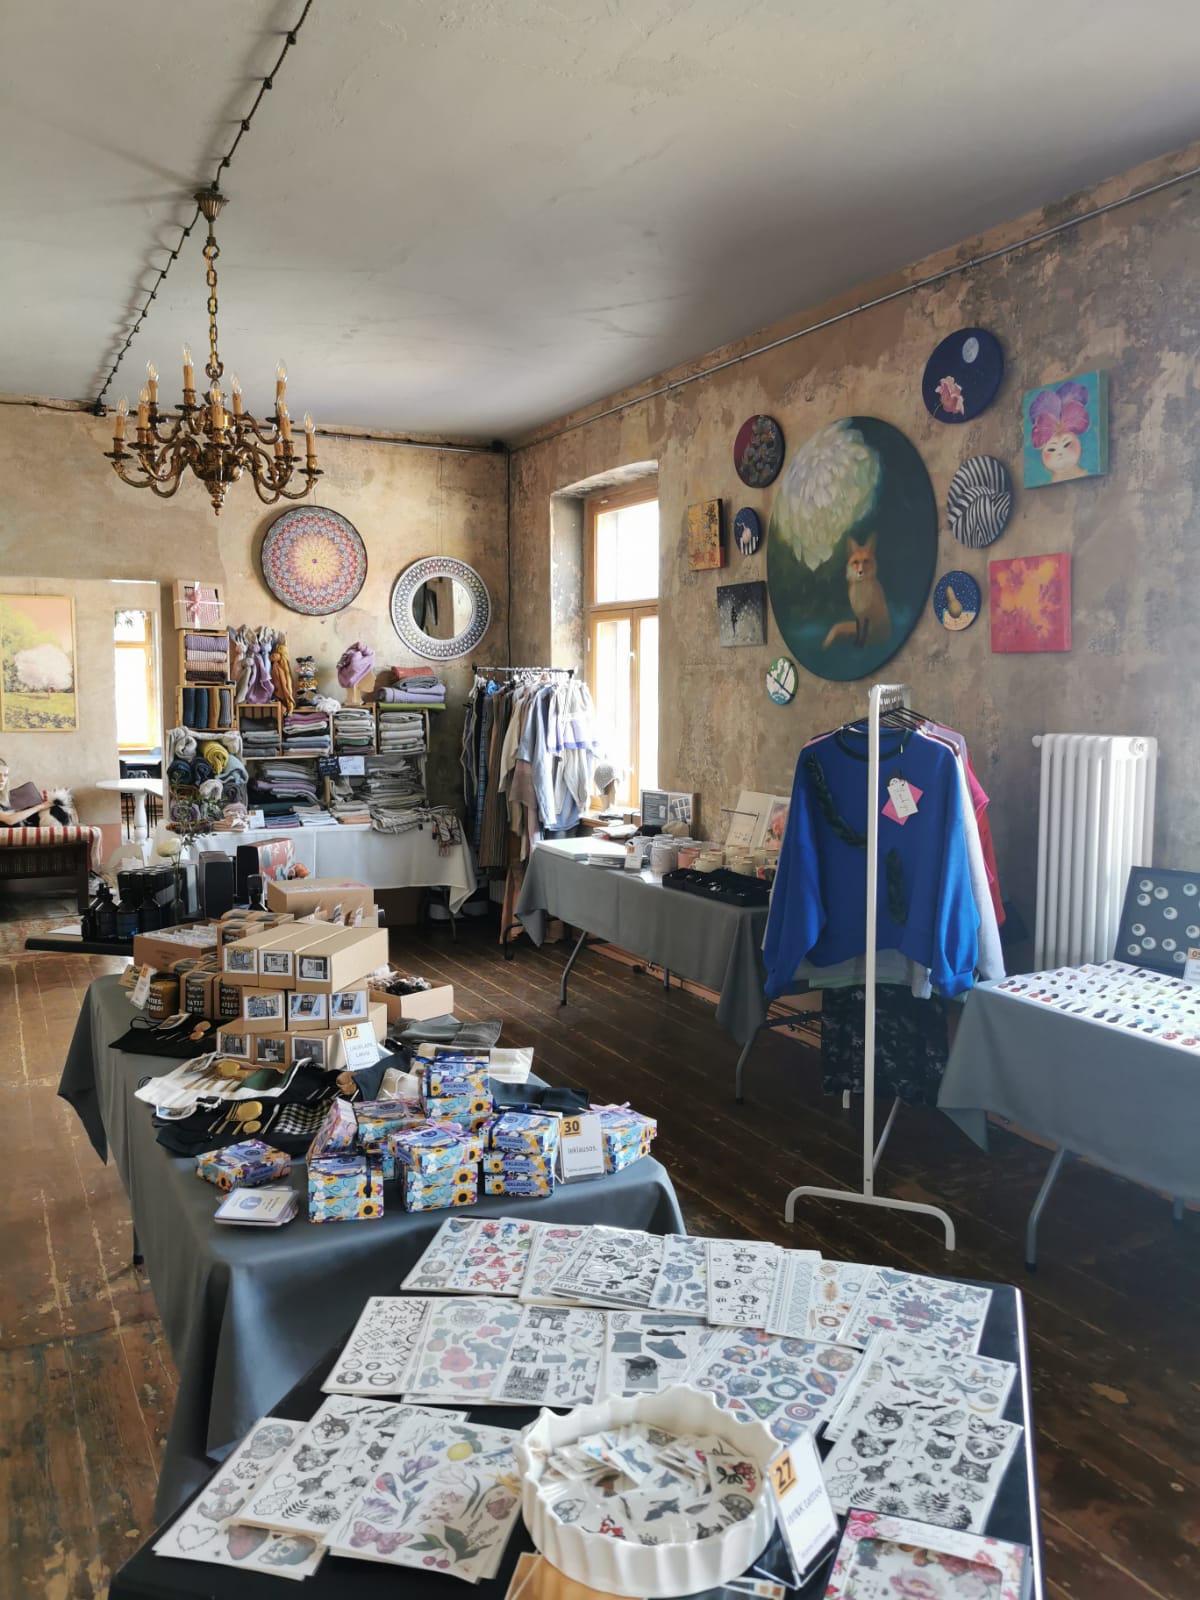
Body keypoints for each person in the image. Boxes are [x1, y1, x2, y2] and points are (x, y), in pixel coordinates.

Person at [0, 756, 70, 826]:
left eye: (5, 775)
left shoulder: (4, 800)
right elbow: (9, 820)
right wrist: (40, 807)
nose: (2, 779)